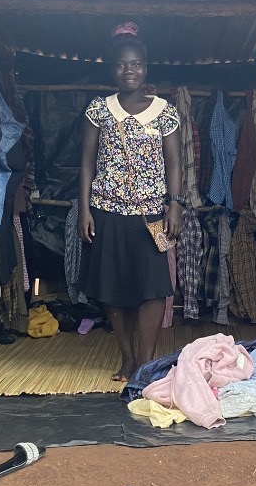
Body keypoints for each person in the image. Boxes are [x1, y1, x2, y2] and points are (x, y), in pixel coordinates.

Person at [78, 23, 183, 381]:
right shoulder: (99, 110)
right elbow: (87, 162)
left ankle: (146, 361)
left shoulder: (164, 111)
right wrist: (84, 209)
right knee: (112, 290)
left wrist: (176, 204)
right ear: (113, 69)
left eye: (136, 64)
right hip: (107, 210)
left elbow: (174, 162)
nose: (130, 71)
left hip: (150, 214)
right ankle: (126, 357)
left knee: (153, 290)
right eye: (123, 65)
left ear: (146, 67)